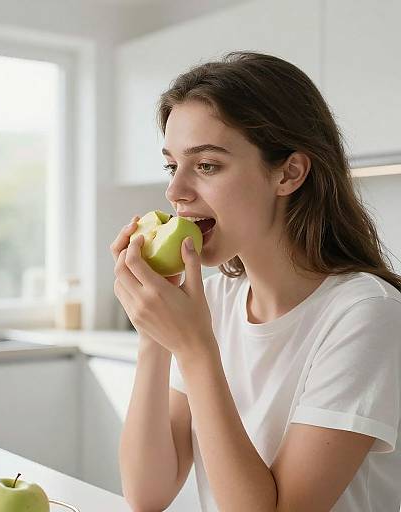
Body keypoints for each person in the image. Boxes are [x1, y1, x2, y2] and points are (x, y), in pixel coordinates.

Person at [110, 51, 401, 511]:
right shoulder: (217, 300)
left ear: (288, 173)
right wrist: (155, 333)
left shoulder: (366, 315)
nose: (175, 191)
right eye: (172, 165)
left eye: (206, 165)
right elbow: (148, 494)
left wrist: (195, 349)